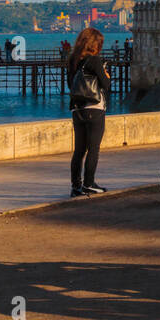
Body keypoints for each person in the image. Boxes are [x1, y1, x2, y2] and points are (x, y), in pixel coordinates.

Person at [67, 27, 111, 197]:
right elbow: (106, 86)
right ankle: (89, 184)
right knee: (93, 149)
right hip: (94, 109)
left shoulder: (73, 60)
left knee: (79, 151)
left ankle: (76, 186)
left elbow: (71, 86)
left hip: (77, 110)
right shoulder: (94, 60)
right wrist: (106, 74)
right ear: (94, 44)